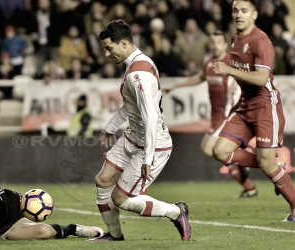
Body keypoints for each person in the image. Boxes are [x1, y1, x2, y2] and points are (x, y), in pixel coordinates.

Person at [88, 20, 191, 242]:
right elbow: (132, 106)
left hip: (151, 145)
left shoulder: (138, 74)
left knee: (121, 199)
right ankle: (114, 235)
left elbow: (150, 115)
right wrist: (111, 127)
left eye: (109, 48)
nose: (106, 54)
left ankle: (176, 212)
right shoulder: (139, 63)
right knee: (103, 180)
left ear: (123, 43)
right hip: (132, 138)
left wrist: (147, 157)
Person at [211, 0, 295, 221]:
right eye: (235, 11)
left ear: (254, 15)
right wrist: (238, 105)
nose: (239, 15)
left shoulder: (261, 41)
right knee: (219, 151)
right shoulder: (235, 39)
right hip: (246, 104)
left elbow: (261, 78)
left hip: (265, 105)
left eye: (244, 11)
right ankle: (274, 166)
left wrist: (228, 69)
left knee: (264, 161)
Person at [165, 30, 258, 198]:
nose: (215, 45)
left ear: (225, 45)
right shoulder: (209, 63)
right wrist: (177, 87)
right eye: (212, 42)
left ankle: (243, 160)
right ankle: (248, 186)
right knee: (214, 152)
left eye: (218, 42)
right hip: (216, 116)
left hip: (228, 114)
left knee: (209, 149)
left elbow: (249, 75)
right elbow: (200, 77)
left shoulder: (231, 61)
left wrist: (239, 86)